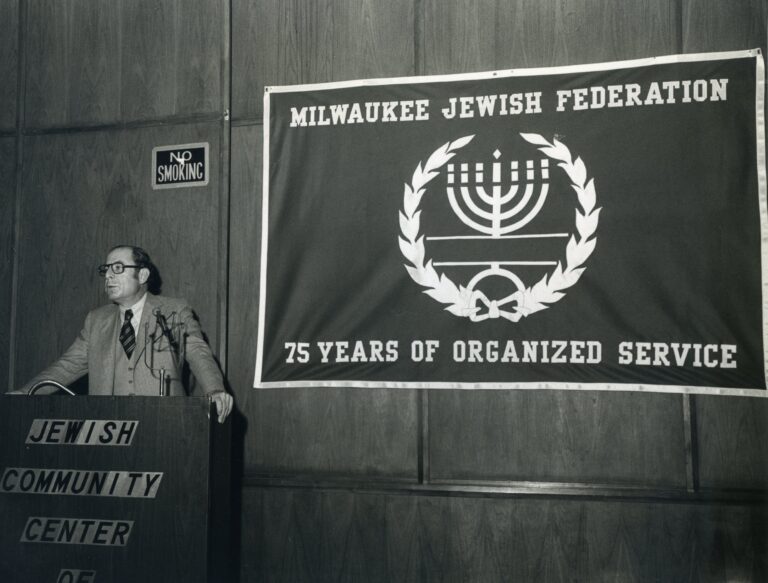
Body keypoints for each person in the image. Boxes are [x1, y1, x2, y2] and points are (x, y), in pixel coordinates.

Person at [10, 245, 233, 423]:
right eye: (105, 269)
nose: (108, 276)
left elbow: (197, 351)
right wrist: (24, 393)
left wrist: (214, 389)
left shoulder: (174, 311)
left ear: (142, 275)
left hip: (166, 426)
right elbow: (68, 365)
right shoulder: (96, 320)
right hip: (108, 432)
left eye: (117, 268)